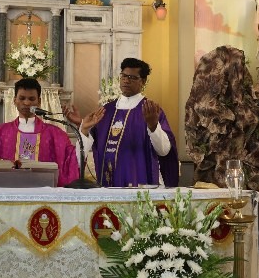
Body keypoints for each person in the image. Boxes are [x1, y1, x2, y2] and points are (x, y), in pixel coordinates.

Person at [65, 58, 179, 187]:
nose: (126, 80)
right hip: (108, 185)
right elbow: (82, 152)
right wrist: (84, 129)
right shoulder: (106, 111)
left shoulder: (150, 110)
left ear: (143, 81)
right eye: (124, 76)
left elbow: (164, 151)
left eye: (132, 77)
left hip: (141, 185)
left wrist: (153, 127)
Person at [0, 78, 78, 186]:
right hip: (9, 191)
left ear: (38, 102)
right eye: (22, 98)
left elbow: (73, 159)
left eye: (31, 98)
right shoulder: (0, 133)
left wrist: (83, 129)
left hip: (42, 192)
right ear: (14, 100)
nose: (26, 102)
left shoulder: (54, 134)